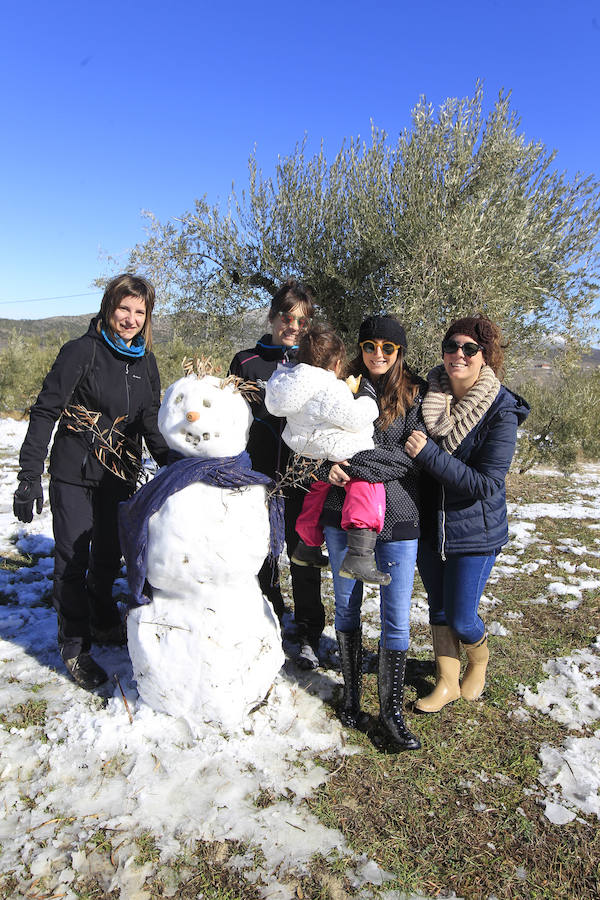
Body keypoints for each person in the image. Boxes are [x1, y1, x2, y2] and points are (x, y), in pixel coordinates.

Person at [13, 274, 169, 690]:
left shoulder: (145, 362)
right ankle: (74, 646)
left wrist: (175, 467)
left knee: (108, 556)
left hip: (119, 473)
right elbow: (46, 411)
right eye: (124, 309)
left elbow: (150, 423)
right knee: (74, 558)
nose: (131, 319)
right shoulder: (81, 352)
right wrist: (29, 474)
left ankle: (102, 619)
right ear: (108, 307)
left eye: (140, 311)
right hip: (74, 472)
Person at [405, 314, 529, 712]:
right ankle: (446, 683)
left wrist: (428, 455)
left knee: (461, 616)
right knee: (437, 609)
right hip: (430, 525)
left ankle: (479, 660)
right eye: (451, 347)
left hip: (475, 530)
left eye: (469, 349)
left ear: (484, 357)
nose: (458, 354)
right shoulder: (426, 396)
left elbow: (486, 484)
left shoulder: (501, 410)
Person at [320, 315, 424, 750]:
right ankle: (351, 698)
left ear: (399, 352)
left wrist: (355, 463)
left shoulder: (417, 394)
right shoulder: (339, 388)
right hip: (341, 514)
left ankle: (392, 712)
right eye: (369, 345)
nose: (377, 354)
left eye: (387, 347)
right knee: (346, 607)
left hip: (399, 518)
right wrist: (326, 464)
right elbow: (316, 442)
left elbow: (408, 458)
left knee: (396, 618)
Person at [228, 278, 325, 669]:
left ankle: (307, 632)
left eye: (303, 321)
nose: (294, 327)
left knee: (303, 554)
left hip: (303, 476)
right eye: (287, 317)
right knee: (261, 552)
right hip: (258, 476)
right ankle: (267, 614)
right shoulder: (246, 361)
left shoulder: (313, 363)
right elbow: (230, 416)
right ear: (272, 317)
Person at [265, 324, 389, 585]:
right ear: (336, 364)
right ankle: (360, 555)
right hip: (338, 448)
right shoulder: (327, 386)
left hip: (309, 449)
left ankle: (306, 548)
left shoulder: (286, 382)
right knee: (367, 486)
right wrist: (367, 396)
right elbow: (355, 418)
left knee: (317, 494)